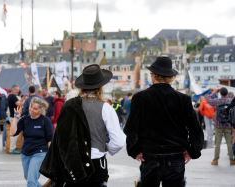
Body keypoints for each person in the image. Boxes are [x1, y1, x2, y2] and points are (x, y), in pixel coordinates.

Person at [40, 64, 126, 187]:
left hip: (72, 163)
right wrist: (108, 148)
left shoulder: (69, 105)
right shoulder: (106, 108)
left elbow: (61, 137)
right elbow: (118, 141)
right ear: (101, 86)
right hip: (96, 163)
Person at [124, 56, 204, 187]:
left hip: (150, 156)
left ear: (153, 75)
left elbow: (130, 128)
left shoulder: (140, 98)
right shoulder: (183, 99)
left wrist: (134, 150)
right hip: (176, 157)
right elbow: (195, 129)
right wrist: (193, 151)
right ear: (170, 77)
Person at [10, 97, 53, 187]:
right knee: (29, 178)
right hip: (25, 154)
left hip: (39, 153)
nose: (31, 110)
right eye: (31, 107)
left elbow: (50, 139)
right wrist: (15, 118)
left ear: (40, 111)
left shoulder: (45, 120)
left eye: (35, 108)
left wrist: (53, 155)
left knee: (31, 181)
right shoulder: (25, 119)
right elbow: (12, 133)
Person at [207, 88, 235, 165]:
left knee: (217, 143)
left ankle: (215, 160)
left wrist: (213, 93)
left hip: (218, 125)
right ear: (227, 93)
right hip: (228, 125)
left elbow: (208, 100)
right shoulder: (231, 100)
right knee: (229, 143)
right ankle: (232, 160)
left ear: (220, 93)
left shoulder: (216, 101)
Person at [8, 85, 28, 154]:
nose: (18, 91)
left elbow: (18, 102)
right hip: (14, 117)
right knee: (15, 133)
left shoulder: (11, 96)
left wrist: (23, 98)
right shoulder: (12, 96)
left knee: (14, 133)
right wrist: (28, 101)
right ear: (13, 89)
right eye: (17, 90)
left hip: (13, 116)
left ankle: (11, 148)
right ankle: (12, 148)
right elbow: (19, 103)